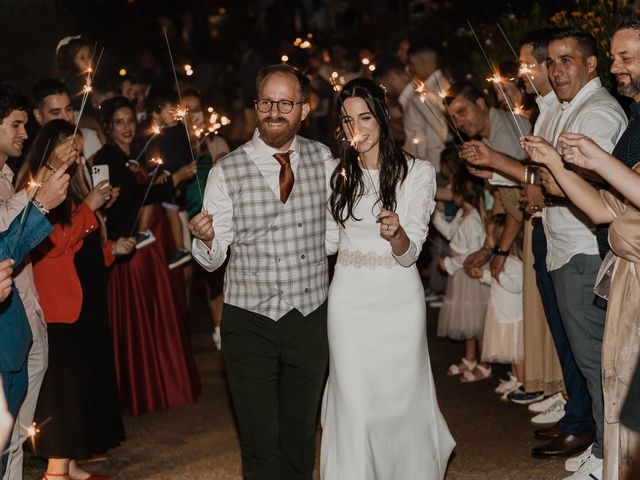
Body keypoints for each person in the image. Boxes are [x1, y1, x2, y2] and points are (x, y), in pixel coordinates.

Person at [189, 64, 333, 479]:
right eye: (267, 102)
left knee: (302, 432)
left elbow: (335, 237)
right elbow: (214, 260)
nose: (274, 111)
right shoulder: (226, 170)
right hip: (248, 320)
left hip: (309, 317)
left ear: (303, 110)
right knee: (259, 436)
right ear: (256, 107)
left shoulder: (324, 160)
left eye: (285, 103)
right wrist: (204, 238)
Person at [320, 77, 454, 479]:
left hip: (397, 299)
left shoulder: (418, 172)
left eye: (365, 117)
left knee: (400, 401)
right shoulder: (334, 173)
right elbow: (329, 241)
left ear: (381, 118)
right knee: (356, 403)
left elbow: (411, 254)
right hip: (348, 300)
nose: (356, 128)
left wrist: (397, 234)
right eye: (347, 121)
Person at [523, 132, 640, 480]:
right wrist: (552, 161)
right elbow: (600, 209)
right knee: (626, 400)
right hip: (629, 294)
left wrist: (600, 159)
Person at [14, 120, 121, 480]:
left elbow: (77, 242)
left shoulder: (65, 183)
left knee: (74, 387)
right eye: (69, 149)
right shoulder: (36, 186)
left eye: (78, 148)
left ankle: (68, 466)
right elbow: (55, 243)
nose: (77, 155)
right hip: (53, 304)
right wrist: (89, 208)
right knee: (60, 391)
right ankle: (56, 472)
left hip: (72, 301)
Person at [94, 96, 200, 416]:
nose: (126, 127)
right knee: (135, 320)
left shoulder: (139, 153)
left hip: (145, 245)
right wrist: (175, 178)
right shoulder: (104, 157)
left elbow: (154, 191)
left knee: (159, 314)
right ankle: (137, 391)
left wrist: (171, 181)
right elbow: (110, 199)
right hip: (125, 249)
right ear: (108, 127)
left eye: (129, 121)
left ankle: (163, 386)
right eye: (119, 122)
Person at [0, 84, 76, 480]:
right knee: (4, 433)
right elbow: (5, 246)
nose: (25, 134)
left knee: (14, 434)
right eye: (15, 125)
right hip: (6, 322)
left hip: (28, 313)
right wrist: (41, 201)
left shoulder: (9, 174)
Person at [432, 170, 490, 382]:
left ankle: (484, 362)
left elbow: (471, 254)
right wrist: (435, 215)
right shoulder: (462, 214)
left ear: (460, 194)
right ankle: (470, 357)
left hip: (469, 275)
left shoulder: (473, 219)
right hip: (460, 276)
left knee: (477, 320)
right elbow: (450, 233)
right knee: (467, 320)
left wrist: (448, 263)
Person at [469, 213, 525, 399]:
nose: (488, 238)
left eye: (490, 234)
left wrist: (497, 274)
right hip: (502, 312)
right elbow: (495, 281)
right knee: (510, 352)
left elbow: (516, 286)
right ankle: (515, 378)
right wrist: (483, 275)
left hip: (513, 315)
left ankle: (522, 382)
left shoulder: (515, 262)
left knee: (517, 352)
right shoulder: (501, 260)